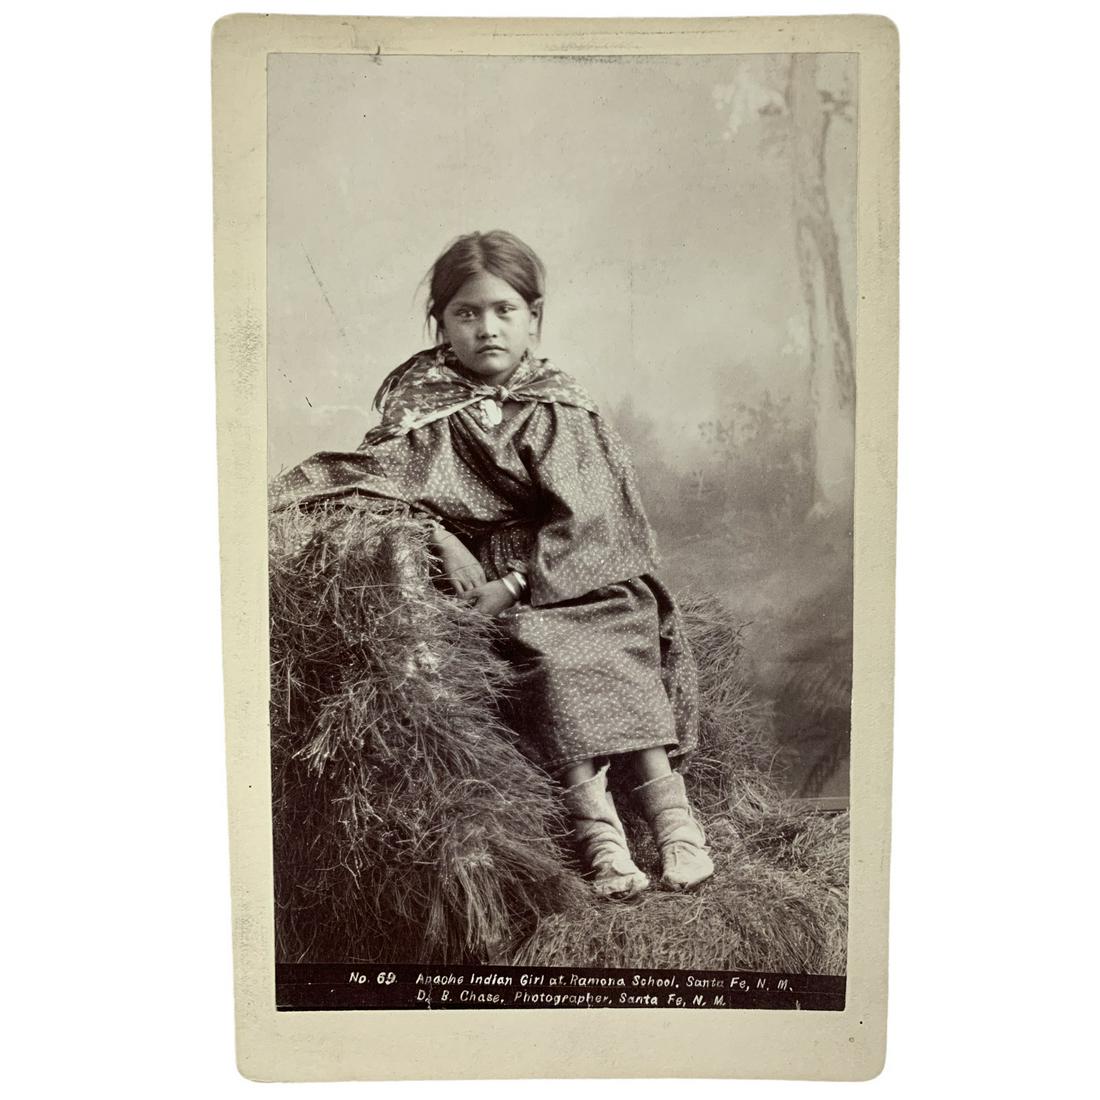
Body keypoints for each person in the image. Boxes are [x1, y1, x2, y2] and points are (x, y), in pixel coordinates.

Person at [275, 230, 714, 899]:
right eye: (467, 313)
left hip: (581, 573)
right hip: (489, 584)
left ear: (533, 318)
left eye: (505, 311)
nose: (487, 329)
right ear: (441, 324)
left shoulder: (558, 403)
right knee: (548, 659)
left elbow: (595, 519)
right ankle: (604, 843)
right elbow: (365, 483)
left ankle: (676, 826)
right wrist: (436, 535)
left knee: (607, 641)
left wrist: (516, 584)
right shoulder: (422, 405)